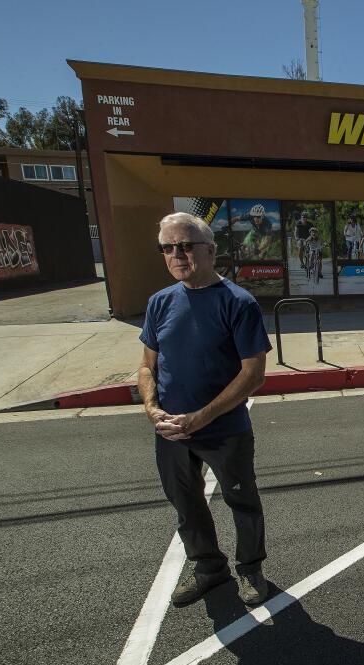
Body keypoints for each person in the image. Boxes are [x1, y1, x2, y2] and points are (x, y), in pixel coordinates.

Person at [140, 212, 273, 608]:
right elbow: (148, 365)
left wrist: (200, 418)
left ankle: (250, 568)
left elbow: (253, 375)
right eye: (168, 247)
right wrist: (151, 409)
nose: (177, 254)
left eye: (185, 245)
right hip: (172, 432)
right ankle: (209, 567)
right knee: (186, 504)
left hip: (224, 430)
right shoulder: (160, 303)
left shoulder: (238, 303)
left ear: (211, 251)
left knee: (242, 501)